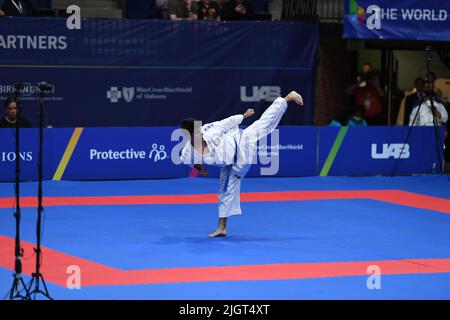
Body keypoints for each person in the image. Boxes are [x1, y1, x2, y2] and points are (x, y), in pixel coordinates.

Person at [179, 91, 304, 237]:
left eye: (199, 130)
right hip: (228, 164)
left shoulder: (209, 130)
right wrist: (200, 169)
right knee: (225, 191)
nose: (200, 133)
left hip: (241, 143)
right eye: (196, 132)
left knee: (263, 124)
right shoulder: (187, 152)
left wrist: (244, 116)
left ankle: (287, 98)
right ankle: (222, 228)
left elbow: (226, 122)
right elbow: (188, 162)